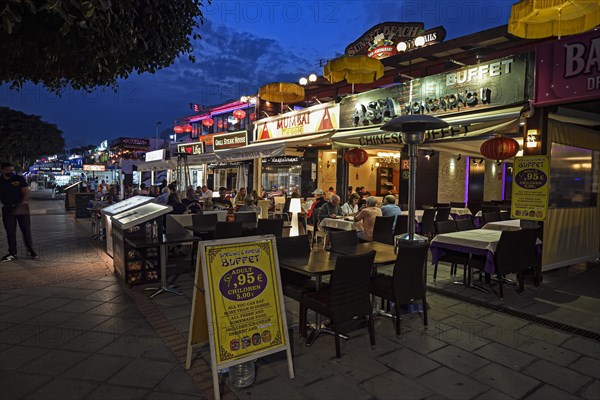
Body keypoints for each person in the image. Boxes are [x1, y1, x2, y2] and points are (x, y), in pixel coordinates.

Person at [0, 162, 38, 261]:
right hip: (7, 209)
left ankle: (31, 252)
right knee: (10, 232)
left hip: (22, 208)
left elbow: (26, 192)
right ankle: (12, 253)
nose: (11, 172)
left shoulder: (19, 179)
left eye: (12, 170)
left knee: (26, 230)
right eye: (8, 170)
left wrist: (22, 204)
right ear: (2, 170)